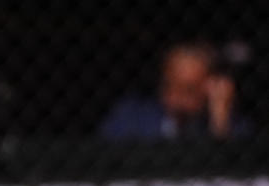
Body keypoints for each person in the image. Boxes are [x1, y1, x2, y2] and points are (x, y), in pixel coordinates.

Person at [99, 39, 249, 141]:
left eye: (188, 89)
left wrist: (220, 123)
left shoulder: (230, 125)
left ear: (211, 86)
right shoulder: (131, 117)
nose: (174, 97)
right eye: (169, 85)